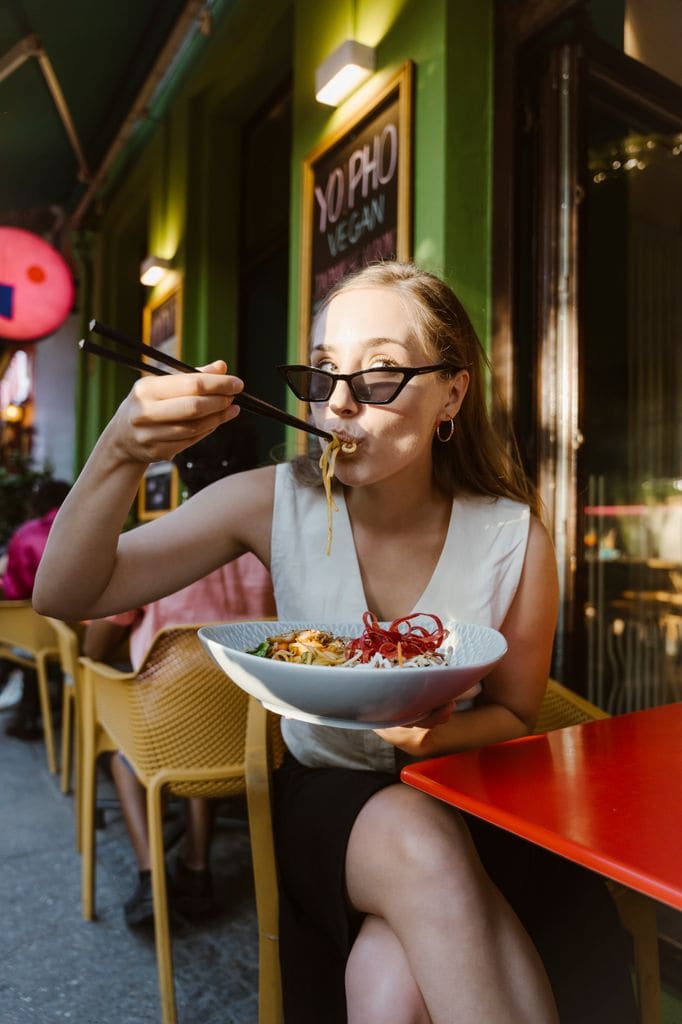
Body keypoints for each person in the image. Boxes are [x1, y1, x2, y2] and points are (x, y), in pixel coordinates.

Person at [34, 262, 636, 1023]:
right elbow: (66, 596)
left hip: (471, 792)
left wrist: (437, 733)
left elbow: (517, 713)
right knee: (417, 841)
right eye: (323, 373)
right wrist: (122, 450)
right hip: (330, 802)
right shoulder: (271, 502)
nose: (339, 403)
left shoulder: (513, 535)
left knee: (391, 986)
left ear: (453, 392)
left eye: (380, 371)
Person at [82, 422, 276, 927]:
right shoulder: (279, 548)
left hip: (175, 724)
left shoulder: (158, 543)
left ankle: (152, 879)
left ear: (183, 472)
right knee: (207, 716)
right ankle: (196, 864)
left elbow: (97, 645)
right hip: (260, 730)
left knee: (124, 754)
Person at [1, 478, 71, 739]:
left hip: (36, 633)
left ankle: (26, 716)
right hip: (79, 635)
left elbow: (14, 590)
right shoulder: (91, 530)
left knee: (23, 644)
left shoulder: (26, 534)